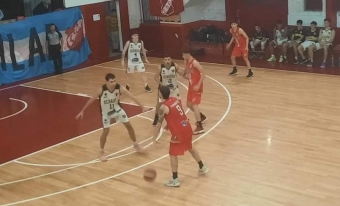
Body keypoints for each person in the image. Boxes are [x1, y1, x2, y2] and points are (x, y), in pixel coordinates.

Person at [76, 73, 146, 161]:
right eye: (111, 81)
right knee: (106, 131)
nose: (113, 83)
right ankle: (101, 152)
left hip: (117, 109)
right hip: (106, 113)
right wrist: (82, 110)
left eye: (114, 81)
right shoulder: (101, 90)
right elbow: (91, 99)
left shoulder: (119, 87)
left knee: (129, 125)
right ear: (107, 82)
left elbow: (131, 96)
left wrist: (142, 106)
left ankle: (136, 145)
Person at [153, 86, 209, 187]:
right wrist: (168, 125)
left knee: (173, 154)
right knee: (190, 147)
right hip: (186, 126)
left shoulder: (163, 107)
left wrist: (154, 138)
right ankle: (202, 167)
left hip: (178, 132)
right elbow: (176, 114)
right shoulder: (175, 99)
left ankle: (175, 179)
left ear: (160, 94)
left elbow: (158, 124)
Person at [152, 55, 183, 126]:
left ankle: (177, 119)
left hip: (174, 89)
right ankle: (156, 117)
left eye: (168, 59)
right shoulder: (160, 67)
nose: (167, 61)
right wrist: (162, 84)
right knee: (159, 104)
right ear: (163, 60)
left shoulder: (175, 66)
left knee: (178, 104)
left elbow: (181, 73)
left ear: (171, 59)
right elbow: (155, 77)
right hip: (163, 90)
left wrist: (186, 71)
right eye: (166, 60)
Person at [182, 49, 207, 134]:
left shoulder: (194, 62)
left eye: (183, 55)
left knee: (194, 105)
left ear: (187, 54)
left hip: (197, 86)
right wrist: (184, 75)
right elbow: (187, 70)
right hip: (191, 85)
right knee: (188, 104)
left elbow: (203, 73)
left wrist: (198, 85)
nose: (182, 56)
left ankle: (200, 126)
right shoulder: (186, 61)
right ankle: (201, 116)